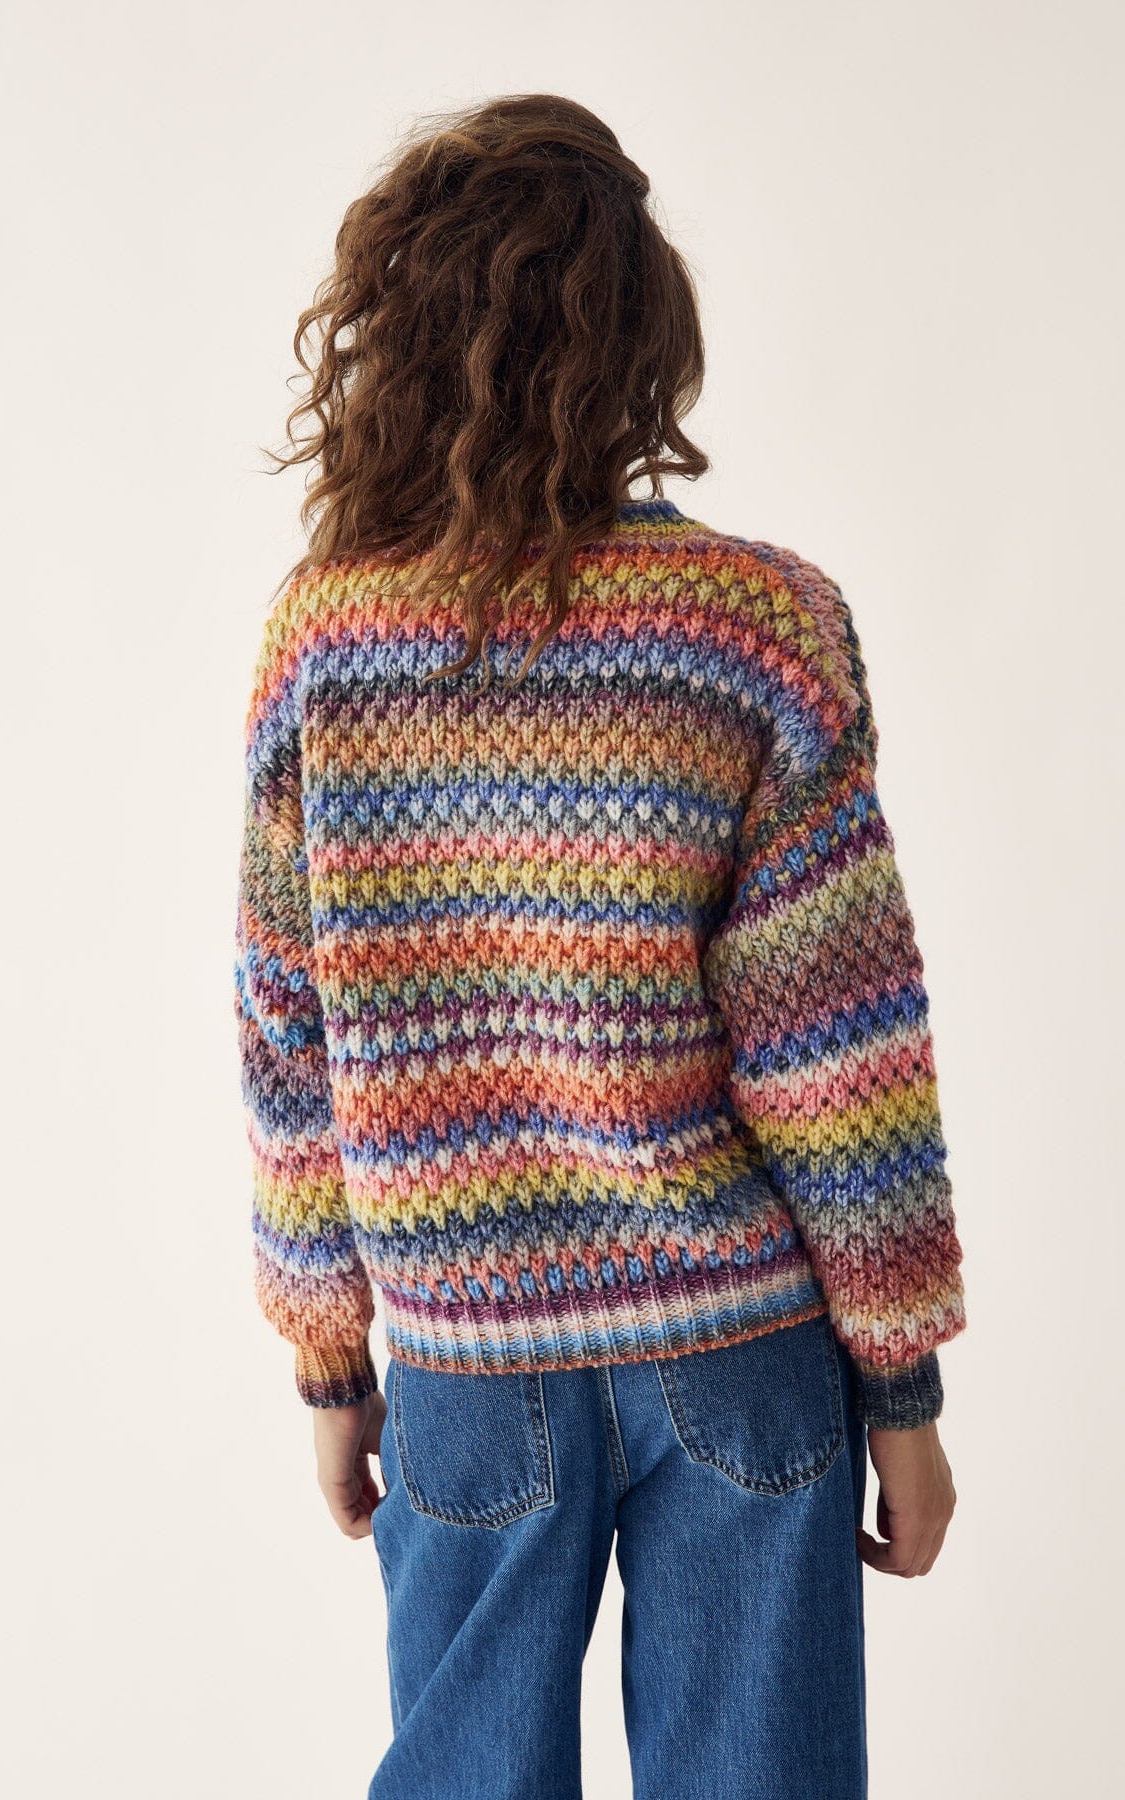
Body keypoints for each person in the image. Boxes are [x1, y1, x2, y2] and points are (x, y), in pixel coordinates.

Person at [233, 92, 967, 1800]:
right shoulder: (760, 629)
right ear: (646, 338)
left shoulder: (325, 643)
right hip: (743, 1344)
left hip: (466, 1355)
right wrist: (905, 1395)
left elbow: (288, 1045)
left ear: (404, 331)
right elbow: (839, 1060)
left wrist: (331, 1362)